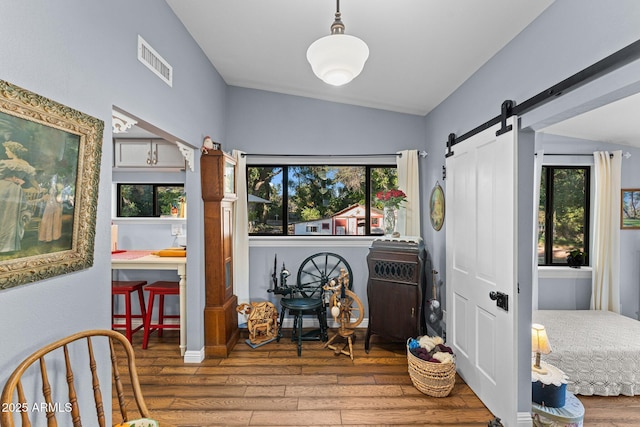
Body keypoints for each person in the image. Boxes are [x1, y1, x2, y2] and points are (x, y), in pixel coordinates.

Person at [0, 140, 38, 252]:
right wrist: (38, 188)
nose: (6, 153)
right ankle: (8, 246)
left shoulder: (7, 163)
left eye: (7, 150)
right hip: (16, 191)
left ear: (12, 151)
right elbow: (32, 180)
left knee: (3, 216)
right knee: (11, 217)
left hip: (3, 189)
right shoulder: (26, 165)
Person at [38, 175, 63, 242]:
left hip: (54, 204)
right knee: (48, 219)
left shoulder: (57, 187)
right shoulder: (50, 188)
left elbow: (58, 198)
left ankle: (53, 236)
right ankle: (47, 237)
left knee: (54, 219)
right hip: (50, 204)